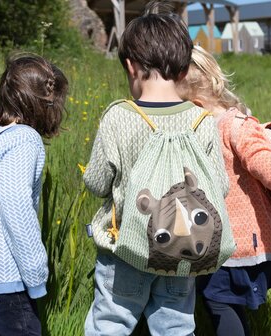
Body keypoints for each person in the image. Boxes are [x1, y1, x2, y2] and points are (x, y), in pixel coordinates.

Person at [83, 2, 229, 335]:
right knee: (175, 324)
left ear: (131, 67)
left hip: (124, 250)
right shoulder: (203, 121)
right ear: (183, 70)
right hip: (181, 253)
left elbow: (96, 182)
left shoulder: (119, 117)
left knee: (110, 322)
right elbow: (219, 187)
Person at [177, 46, 271, 336]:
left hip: (240, 243)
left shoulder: (233, 126)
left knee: (218, 302)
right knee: (222, 301)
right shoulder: (207, 127)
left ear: (193, 101)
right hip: (220, 242)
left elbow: (266, 164)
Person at [0, 53, 68, 335]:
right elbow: (15, 203)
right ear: (46, 103)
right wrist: (36, 273)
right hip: (5, 277)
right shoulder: (24, 139)